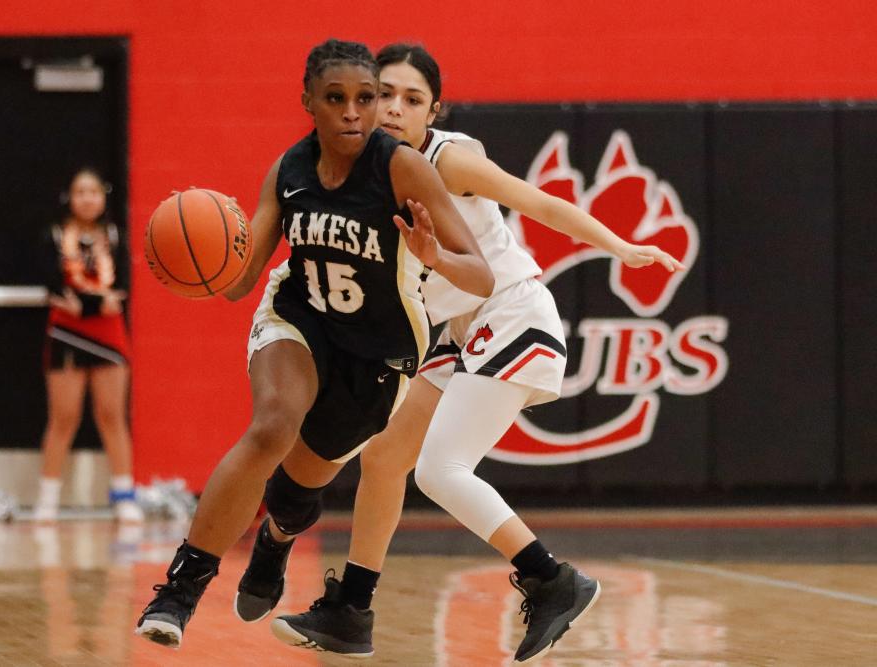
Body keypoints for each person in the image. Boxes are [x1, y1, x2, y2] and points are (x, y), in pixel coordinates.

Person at [269, 44, 686, 663]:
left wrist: (620, 247)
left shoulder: (447, 159)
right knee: (384, 459)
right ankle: (352, 610)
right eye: (384, 93)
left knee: (441, 469)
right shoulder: (356, 173)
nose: (393, 109)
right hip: (453, 334)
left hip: (510, 313)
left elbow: (537, 202)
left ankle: (553, 580)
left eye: (411, 100)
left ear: (432, 112)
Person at [134, 39, 493, 651]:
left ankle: (275, 541)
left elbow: (480, 275)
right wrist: (209, 263)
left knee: (297, 495)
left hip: (378, 352)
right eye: (337, 99)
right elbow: (240, 284)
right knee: (273, 425)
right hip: (300, 316)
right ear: (310, 104)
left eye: (366, 98)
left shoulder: (402, 167)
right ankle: (180, 589)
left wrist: (435, 256)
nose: (355, 112)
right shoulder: (290, 169)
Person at [34, 168, 142, 523]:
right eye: (80, 191)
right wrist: (84, 302)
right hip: (66, 331)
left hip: (109, 332)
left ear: (103, 197)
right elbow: (52, 284)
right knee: (64, 417)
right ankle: (48, 499)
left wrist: (93, 303)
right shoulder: (53, 235)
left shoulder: (114, 235)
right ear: (70, 197)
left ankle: (124, 495)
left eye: (93, 191)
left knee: (111, 414)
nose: (87, 198)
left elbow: (122, 285)